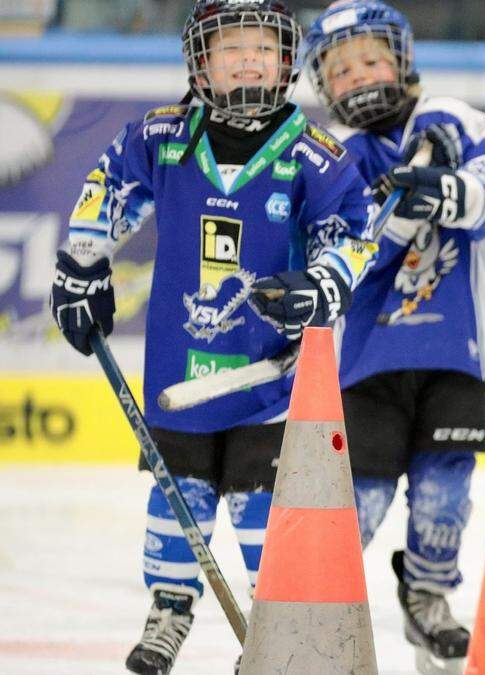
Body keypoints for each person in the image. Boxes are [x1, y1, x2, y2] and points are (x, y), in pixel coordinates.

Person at [48, 2, 376, 672]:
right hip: (181, 376)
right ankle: (169, 607)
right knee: (177, 499)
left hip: (270, 383)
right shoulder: (162, 137)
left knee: (266, 515)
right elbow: (108, 187)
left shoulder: (314, 155)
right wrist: (82, 265)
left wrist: (320, 284)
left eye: (263, 48)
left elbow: (352, 231)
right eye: (231, 49)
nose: (249, 59)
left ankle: (272, 625)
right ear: (200, 62)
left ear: (287, 62)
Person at [303, 2, 485, 673]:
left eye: (369, 58)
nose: (358, 76)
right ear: (323, 86)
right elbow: (353, 256)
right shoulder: (335, 157)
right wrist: (400, 212)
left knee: (444, 492)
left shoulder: (451, 117)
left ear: (401, 56)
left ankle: (427, 596)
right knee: (355, 501)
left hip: (456, 353)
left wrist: (445, 191)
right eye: (340, 70)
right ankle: (312, 614)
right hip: (370, 361)